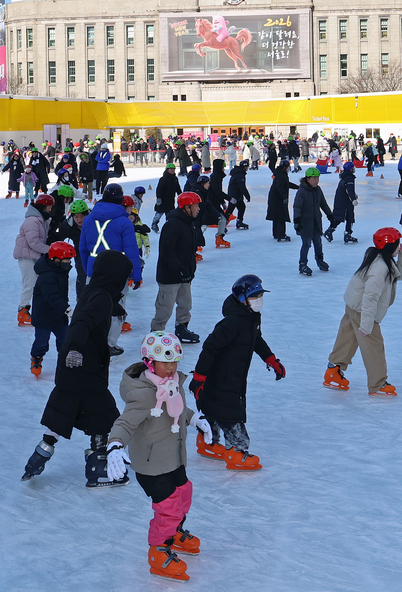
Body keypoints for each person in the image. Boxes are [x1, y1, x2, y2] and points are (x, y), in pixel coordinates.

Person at [21, 249, 134, 486]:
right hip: (85, 365)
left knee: (63, 411)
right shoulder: (101, 298)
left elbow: (91, 310)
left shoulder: (94, 292)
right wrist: (74, 349)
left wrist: (114, 308)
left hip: (72, 368)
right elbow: (82, 322)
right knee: (102, 417)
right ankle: (98, 470)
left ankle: (38, 457)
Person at [104, 331, 200, 582]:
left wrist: (194, 419)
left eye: (174, 361)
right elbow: (125, 423)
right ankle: (158, 551)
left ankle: (175, 532)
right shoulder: (144, 394)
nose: (171, 367)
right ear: (149, 362)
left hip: (174, 455)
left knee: (184, 493)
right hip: (151, 464)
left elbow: (178, 409)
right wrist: (115, 446)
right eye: (164, 362)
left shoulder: (173, 382)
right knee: (168, 507)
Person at [187, 275, 284, 470]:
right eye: (254, 297)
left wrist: (271, 359)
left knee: (214, 409)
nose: (259, 300)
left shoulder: (252, 317)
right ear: (242, 299)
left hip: (235, 374)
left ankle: (208, 442)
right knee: (230, 413)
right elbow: (210, 347)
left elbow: (256, 340)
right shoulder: (232, 322)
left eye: (260, 296)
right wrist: (199, 378)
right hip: (221, 376)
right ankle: (236, 452)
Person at [325, 227, 402, 396]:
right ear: (389, 246)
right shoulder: (380, 268)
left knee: (347, 340)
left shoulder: (381, 258)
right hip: (362, 310)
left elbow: (398, 275)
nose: (399, 246)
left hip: (353, 305)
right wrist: (366, 323)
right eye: (397, 244)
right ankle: (378, 384)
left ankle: (333, 371)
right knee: (374, 346)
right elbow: (370, 297)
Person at [78, 184, 143, 353]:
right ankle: (109, 344)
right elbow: (132, 252)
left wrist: (87, 269)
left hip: (94, 271)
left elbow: (83, 249)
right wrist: (136, 275)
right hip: (117, 274)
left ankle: (94, 342)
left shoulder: (89, 220)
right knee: (116, 309)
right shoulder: (124, 222)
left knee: (94, 307)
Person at [152, 192, 203, 344]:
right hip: (170, 275)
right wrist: (179, 269)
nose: (198, 209)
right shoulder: (173, 225)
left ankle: (182, 328)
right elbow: (166, 251)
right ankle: (156, 333)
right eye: (196, 206)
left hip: (185, 274)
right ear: (187, 207)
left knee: (185, 304)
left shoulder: (189, 223)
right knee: (165, 307)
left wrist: (189, 269)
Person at [29, 242, 75, 378]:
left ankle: (64, 360)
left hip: (59, 315)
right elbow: (52, 297)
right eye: (66, 260)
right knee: (41, 342)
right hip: (43, 316)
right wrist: (67, 309)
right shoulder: (47, 276)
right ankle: (37, 358)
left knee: (65, 340)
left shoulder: (60, 270)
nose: (69, 263)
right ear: (55, 259)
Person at [15, 194, 57, 327]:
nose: (50, 209)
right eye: (48, 207)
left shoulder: (42, 219)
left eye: (51, 207)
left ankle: (39, 310)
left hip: (35, 256)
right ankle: (22, 311)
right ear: (42, 207)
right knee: (29, 284)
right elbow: (33, 242)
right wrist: (52, 250)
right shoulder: (32, 220)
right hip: (26, 257)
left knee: (39, 284)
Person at [293, 167, 334, 277]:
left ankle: (320, 260)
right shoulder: (302, 191)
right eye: (314, 178)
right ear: (308, 179)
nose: (317, 181)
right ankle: (302, 264)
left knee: (318, 242)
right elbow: (297, 206)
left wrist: (330, 215)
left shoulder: (318, 190)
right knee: (306, 244)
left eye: (317, 178)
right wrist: (297, 220)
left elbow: (323, 204)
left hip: (316, 221)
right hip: (305, 223)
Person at [325, 163, 358, 245]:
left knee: (339, 217)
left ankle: (330, 231)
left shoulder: (344, 176)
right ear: (351, 169)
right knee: (349, 217)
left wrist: (353, 195)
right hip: (345, 201)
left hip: (340, 200)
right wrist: (353, 199)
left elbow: (346, 189)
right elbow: (349, 189)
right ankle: (347, 234)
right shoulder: (349, 178)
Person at [266, 161, 297, 243]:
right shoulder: (281, 175)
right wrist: (284, 196)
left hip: (275, 198)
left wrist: (297, 187)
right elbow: (279, 186)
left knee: (276, 216)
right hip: (278, 199)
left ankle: (276, 233)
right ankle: (281, 234)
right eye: (288, 167)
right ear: (285, 167)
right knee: (281, 216)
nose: (289, 168)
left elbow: (286, 184)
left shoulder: (280, 174)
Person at [152, 164, 180, 232]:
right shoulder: (163, 179)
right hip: (163, 201)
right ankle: (154, 224)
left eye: (173, 169)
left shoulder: (175, 179)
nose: (172, 170)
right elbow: (159, 189)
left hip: (170, 201)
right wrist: (159, 198)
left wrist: (181, 195)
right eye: (171, 169)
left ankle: (170, 227)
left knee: (170, 215)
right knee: (159, 214)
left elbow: (178, 188)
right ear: (167, 170)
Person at [226, 161, 251, 231]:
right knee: (230, 210)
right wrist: (247, 195)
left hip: (236, 194)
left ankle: (239, 221)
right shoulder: (240, 174)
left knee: (242, 207)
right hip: (234, 195)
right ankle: (222, 224)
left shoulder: (239, 172)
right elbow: (241, 186)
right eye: (247, 167)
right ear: (245, 167)